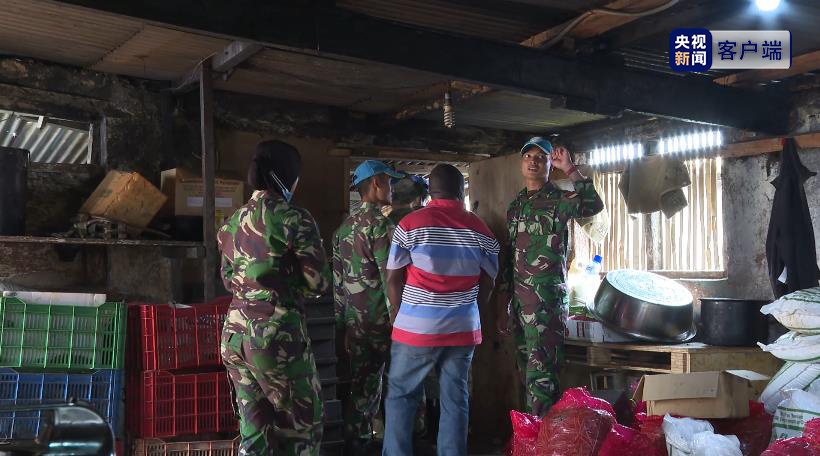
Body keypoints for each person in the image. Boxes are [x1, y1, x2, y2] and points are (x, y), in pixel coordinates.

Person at [218, 140, 331, 456]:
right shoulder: (295, 218)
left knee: (254, 432)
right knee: (303, 426)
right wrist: (288, 286)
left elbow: (228, 280)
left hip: (234, 336)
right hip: (275, 337)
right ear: (288, 177)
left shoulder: (231, 221)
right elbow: (318, 282)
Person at [383, 164, 498, 456]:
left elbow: (393, 277)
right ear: (461, 190)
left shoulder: (410, 224)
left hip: (416, 328)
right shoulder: (481, 229)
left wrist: (397, 312)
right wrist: (473, 311)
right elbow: (489, 281)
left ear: (431, 191)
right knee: (455, 399)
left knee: (402, 396)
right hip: (462, 328)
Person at [497, 137, 604, 417]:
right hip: (519, 304)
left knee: (543, 376)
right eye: (528, 156)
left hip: (545, 303)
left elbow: (593, 205)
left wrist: (570, 168)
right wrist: (503, 302)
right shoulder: (516, 205)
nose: (533, 162)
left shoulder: (559, 200)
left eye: (540, 158)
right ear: (521, 163)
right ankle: (532, 432)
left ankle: (542, 435)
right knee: (525, 372)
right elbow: (510, 255)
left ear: (549, 165)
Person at [333, 160, 403, 452]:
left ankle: (358, 441)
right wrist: (400, 323)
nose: (392, 188)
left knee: (362, 387)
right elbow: (391, 280)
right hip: (383, 323)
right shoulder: (382, 226)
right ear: (376, 183)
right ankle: (401, 442)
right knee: (401, 385)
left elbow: (338, 285)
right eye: (389, 182)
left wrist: (342, 327)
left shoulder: (342, 230)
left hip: (355, 324)